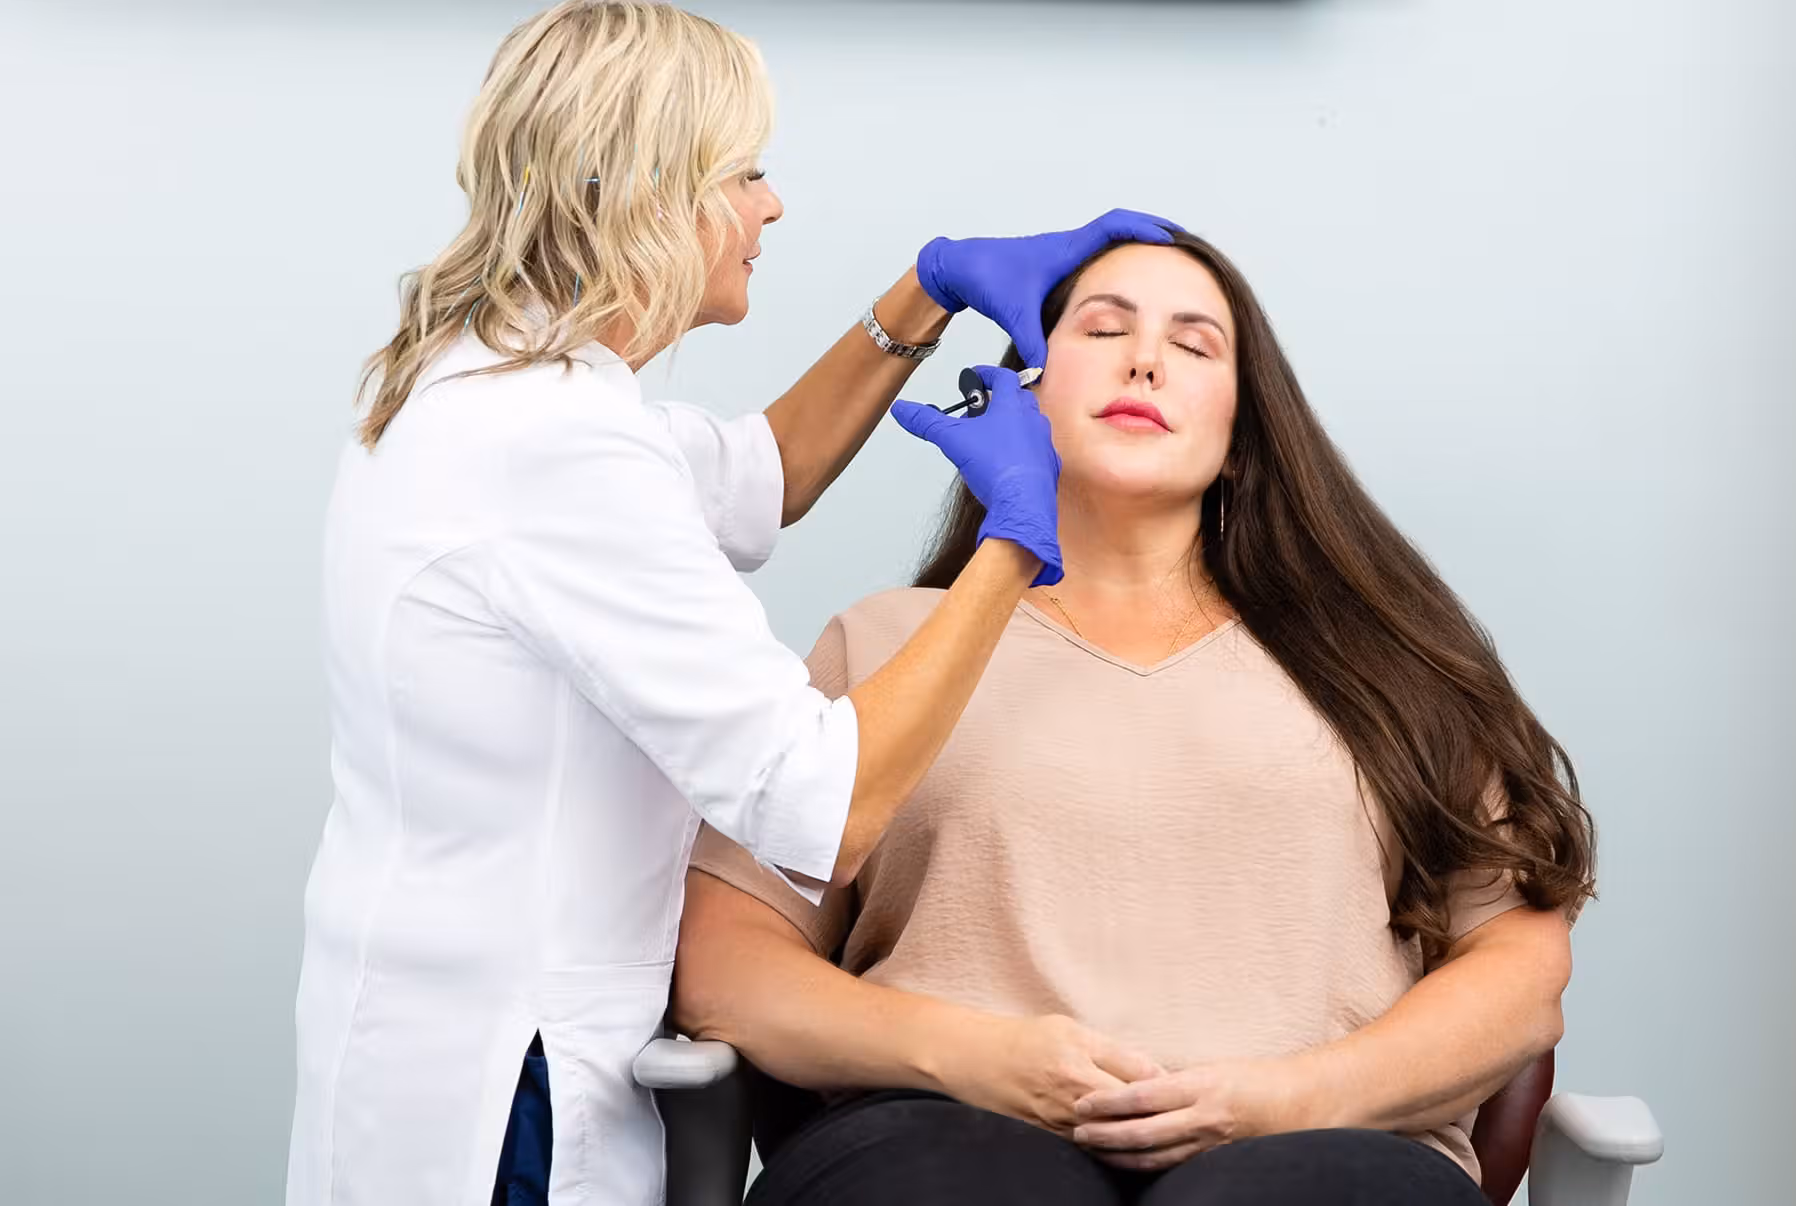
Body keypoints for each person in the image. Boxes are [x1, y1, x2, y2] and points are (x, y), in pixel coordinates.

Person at [285, 3, 1177, 1204]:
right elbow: (827, 806)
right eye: (745, 172)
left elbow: (765, 476)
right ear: (651, 193)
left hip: (437, 1018)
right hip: (510, 1079)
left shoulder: (501, 388)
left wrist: (924, 292)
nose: (772, 205)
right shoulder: (553, 451)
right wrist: (1017, 542)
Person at [675, 231, 1599, 1206]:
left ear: (1243, 440)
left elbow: (1520, 967)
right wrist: (971, 1056)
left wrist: (1295, 1098)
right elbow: (728, 962)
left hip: (1327, 1143)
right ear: (1022, 396)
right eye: (1104, 330)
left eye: (1193, 345)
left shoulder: (1387, 666)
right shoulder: (883, 643)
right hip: (937, 1135)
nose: (1145, 360)